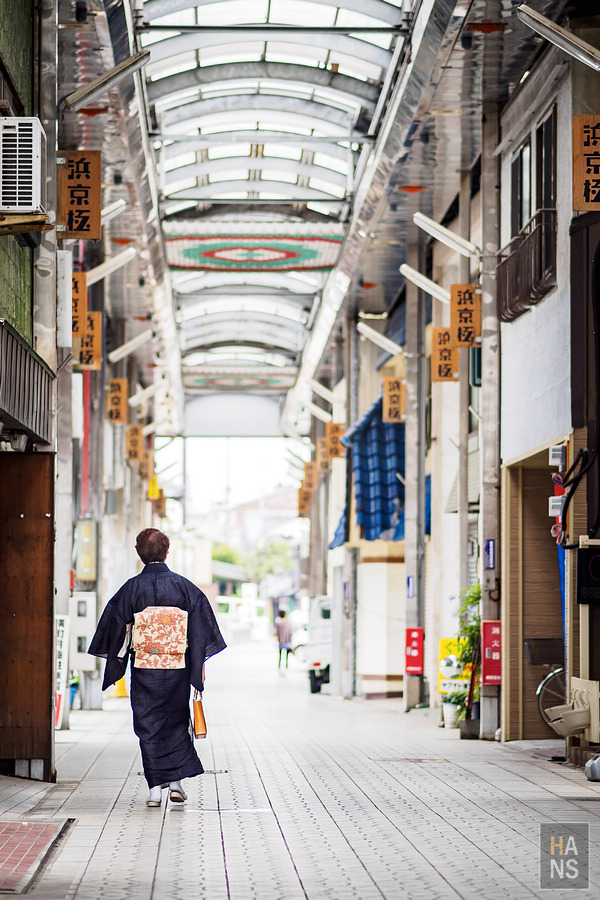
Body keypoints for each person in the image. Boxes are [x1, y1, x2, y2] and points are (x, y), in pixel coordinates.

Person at [88, 528, 226, 808]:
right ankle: (175, 784)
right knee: (176, 721)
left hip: (145, 667)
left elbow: (117, 626)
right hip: (176, 666)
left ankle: (154, 791)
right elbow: (199, 628)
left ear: (139, 554)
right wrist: (196, 663)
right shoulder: (184, 587)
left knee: (148, 726)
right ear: (166, 552)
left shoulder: (131, 588)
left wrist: (121, 658)